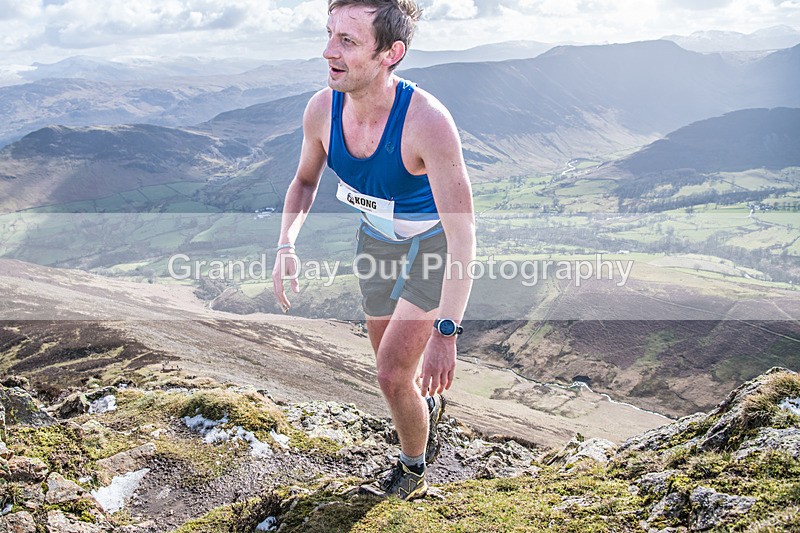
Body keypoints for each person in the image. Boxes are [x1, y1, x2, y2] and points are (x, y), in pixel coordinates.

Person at [272, 0, 475, 500]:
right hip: (376, 244)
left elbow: (463, 235)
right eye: (329, 34)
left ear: (391, 53)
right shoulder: (322, 109)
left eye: (347, 41)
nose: (328, 52)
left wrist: (447, 331)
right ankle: (420, 412)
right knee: (393, 367)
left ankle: (412, 470)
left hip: (432, 247)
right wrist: (285, 243)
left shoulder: (427, 122)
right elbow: (303, 182)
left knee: (389, 374)